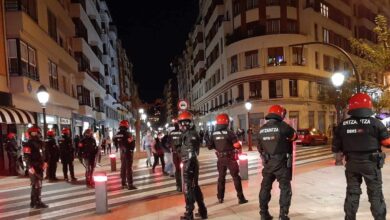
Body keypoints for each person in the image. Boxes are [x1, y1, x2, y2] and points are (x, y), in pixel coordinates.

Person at [332, 93, 389, 220]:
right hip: (371, 164)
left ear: (351, 107)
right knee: (375, 194)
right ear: (369, 106)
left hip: (352, 164)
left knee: (352, 193)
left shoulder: (343, 125)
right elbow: (387, 142)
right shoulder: (376, 123)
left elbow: (336, 147)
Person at [257, 105, 297, 220]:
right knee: (285, 188)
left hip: (268, 163)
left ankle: (263, 214)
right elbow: (294, 136)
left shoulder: (261, 129)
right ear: (281, 114)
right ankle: (283, 215)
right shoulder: (283, 126)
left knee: (265, 187)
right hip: (282, 163)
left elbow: (259, 147)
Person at [207, 113, 248, 204]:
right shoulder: (230, 132)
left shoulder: (213, 134)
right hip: (230, 158)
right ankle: (241, 198)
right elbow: (236, 145)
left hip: (220, 158)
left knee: (221, 178)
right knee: (236, 177)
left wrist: (219, 148)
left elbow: (209, 146)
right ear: (227, 122)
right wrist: (239, 144)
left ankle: (220, 197)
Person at [178, 111, 207, 220]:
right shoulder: (189, 133)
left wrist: (187, 167)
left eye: (182, 123)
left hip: (190, 163)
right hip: (191, 162)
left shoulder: (190, 134)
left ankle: (189, 214)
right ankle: (203, 211)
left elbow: (190, 151)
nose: (181, 125)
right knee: (194, 187)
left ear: (187, 123)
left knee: (188, 188)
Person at [23, 126, 48, 209]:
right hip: (33, 166)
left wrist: (45, 162)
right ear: (30, 133)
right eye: (33, 132)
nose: (35, 134)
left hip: (40, 166)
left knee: (39, 185)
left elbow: (44, 154)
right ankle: (35, 202)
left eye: (36, 132)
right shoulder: (28, 143)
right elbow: (26, 157)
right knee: (36, 185)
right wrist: (30, 167)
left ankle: (36, 202)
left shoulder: (41, 142)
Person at [113, 120, 137, 190]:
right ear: (126, 126)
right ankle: (130, 184)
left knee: (123, 168)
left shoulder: (117, 134)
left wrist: (118, 147)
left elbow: (114, 141)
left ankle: (123, 183)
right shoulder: (128, 134)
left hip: (122, 152)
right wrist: (132, 148)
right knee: (129, 168)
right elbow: (132, 143)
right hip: (128, 152)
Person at [168, 120, 183, 192]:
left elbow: (168, 143)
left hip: (174, 153)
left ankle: (178, 186)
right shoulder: (182, 132)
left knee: (177, 169)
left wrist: (171, 147)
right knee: (182, 169)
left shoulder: (171, 133)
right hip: (181, 153)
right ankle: (184, 184)